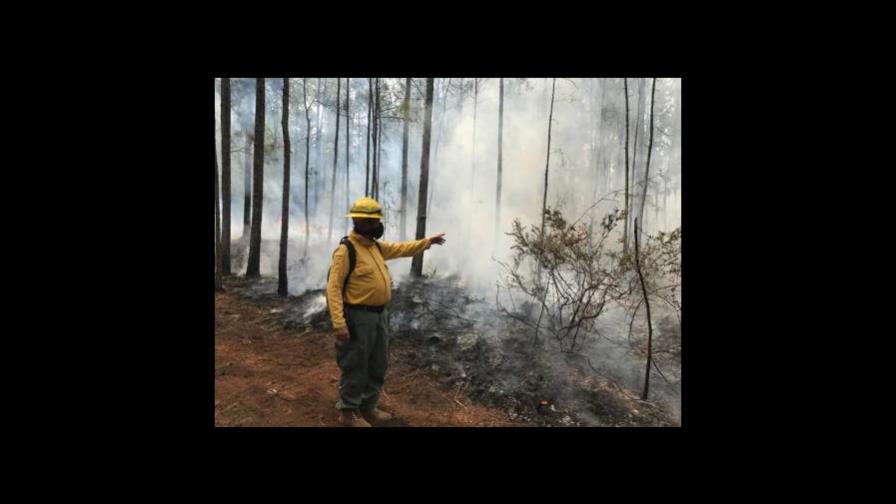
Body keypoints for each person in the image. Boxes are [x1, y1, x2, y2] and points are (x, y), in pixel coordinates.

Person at [326, 196, 446, 427]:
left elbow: (402, 248)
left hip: (380, 316)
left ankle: (368, 406)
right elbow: (333, 288)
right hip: (358, 318)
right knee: (356, 363)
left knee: (377, 363)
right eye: (371, 222)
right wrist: (339, 324)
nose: (376, 226)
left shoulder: (375, 247)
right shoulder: (346, 251)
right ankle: (348, 412)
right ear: (359, 221)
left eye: (376, 221)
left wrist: (427, 242)